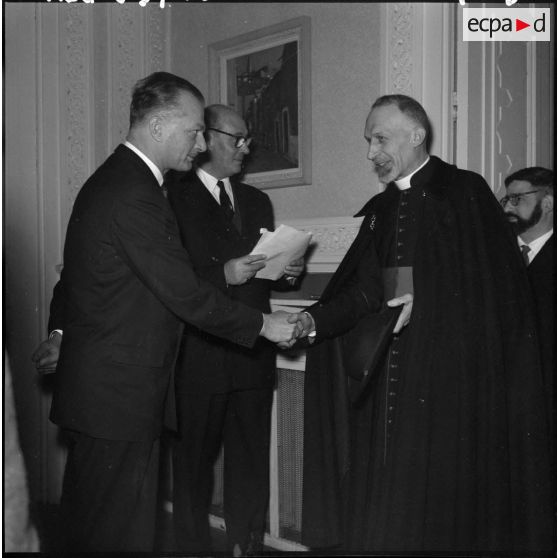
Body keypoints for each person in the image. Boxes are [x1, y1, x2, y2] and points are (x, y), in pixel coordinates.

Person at [31, 72, 298, 553]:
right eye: (194, 131)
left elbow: (96, 284)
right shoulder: (136, 193)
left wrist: (62, 332)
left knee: (97, 529)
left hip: (107, 395)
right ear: (157, 126)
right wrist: (265, 325)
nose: (199, 145)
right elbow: (186, 294)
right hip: (120, 399)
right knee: (117, 535)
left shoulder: (116, 180)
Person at [292, 95, 554, 553]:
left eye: (380, 139)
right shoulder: (383, 207)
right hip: (391, 372)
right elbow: (364, 290)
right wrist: (309, 319)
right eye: (368, 141)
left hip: (449, 381)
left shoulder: (466, 192)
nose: (371, 152)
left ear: (416, 136)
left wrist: (428, 307)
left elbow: (491, 299)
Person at [165, 104, 304, 556]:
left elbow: (265, 272)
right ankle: (191, 548)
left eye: (248, 139)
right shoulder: (171, 198)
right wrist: (222, 273)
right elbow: (170, 281)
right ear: (205, 137)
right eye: (237, 138)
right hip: (198, 354)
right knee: (193, 465)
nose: (246, 148)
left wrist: (287, 270)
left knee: (250, 460)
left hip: (252, 350)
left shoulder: (257, 200)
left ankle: (246, 545)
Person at [501, 167, 555, 450]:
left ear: (547, 204)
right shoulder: (496, 255)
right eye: (506, 200)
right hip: (506, 398)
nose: (508, 206)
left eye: (517, 198)